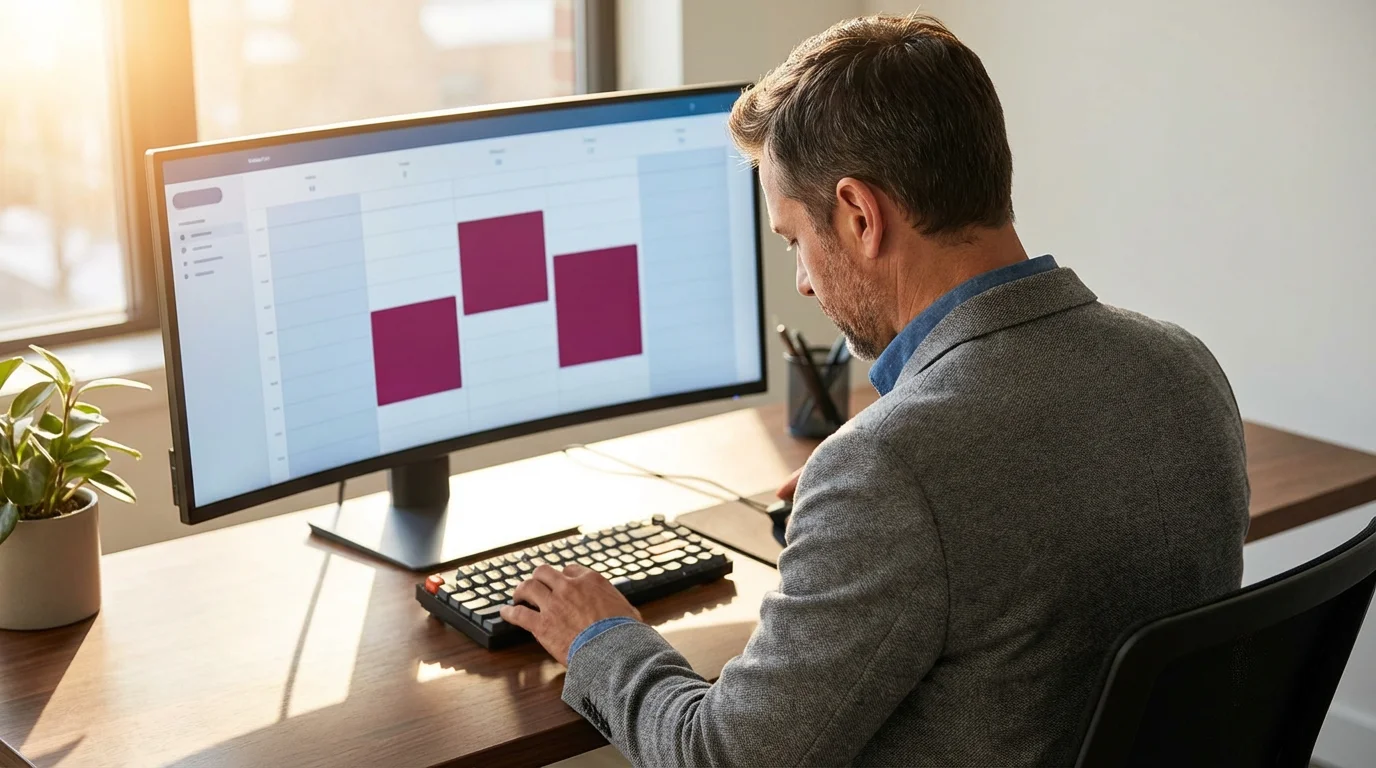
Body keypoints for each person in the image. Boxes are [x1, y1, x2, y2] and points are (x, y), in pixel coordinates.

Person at [501, 12, 1250, 767]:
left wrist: (600, 635)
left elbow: (720, 757)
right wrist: (858, 511)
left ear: (861, 215)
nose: (802, 281)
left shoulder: (892, 468)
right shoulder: (1183, 367)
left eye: (795, 238)